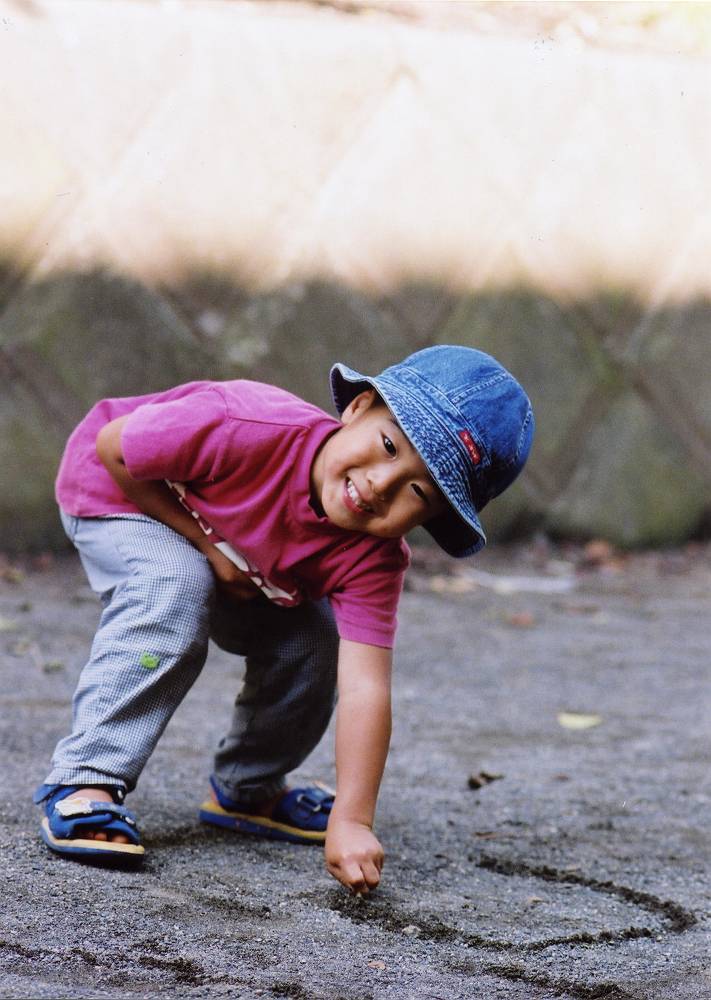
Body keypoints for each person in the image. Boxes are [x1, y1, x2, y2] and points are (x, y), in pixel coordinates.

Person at [33, 345, 534, 893]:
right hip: (123, 493)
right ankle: (86, 778)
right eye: (389, 446)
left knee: (316, 637)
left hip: (240, 553)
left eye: (418, 491)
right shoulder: (246, 426)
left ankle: (248, 789)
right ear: (358, 408)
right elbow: (115, 448)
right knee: (176, 583)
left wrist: (353, 819)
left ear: (433, 517)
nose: (380, 484)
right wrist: (209, 547)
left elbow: (365, 687)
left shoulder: (374, 558)